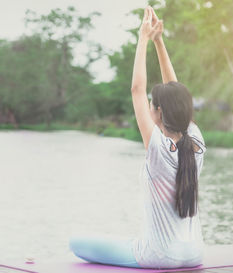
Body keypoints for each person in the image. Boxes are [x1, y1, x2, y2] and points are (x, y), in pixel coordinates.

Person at [69, 5, 206, 269]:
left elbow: (136, 89)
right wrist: (159, 42)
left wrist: (143, 37)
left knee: (77, 243)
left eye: (152, 104)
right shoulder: (196, 142)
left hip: (159, 257)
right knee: (130, 239)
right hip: (195, 254)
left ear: (158, 111)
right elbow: (175, 92)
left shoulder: (157, 147)